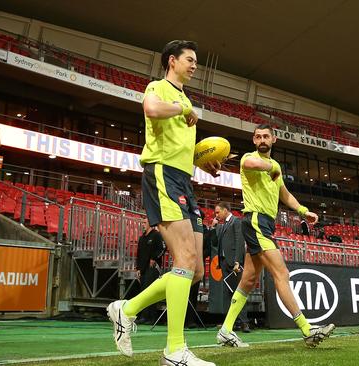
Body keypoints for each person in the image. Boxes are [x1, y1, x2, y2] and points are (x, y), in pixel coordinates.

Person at [106, 40, 219, 366]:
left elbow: (179, 146)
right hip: (162, 176)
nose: (195, 64)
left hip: (184, 180)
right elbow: (152, 109)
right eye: (190, 59)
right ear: (172, 61)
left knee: (195, 270)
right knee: (183, 258)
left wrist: (204, 162)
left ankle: (125, 309)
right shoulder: (160, 88)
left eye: (197, 60)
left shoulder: (186, 98)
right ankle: (174, 351)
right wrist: (182, 109)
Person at [216, 124, 335, 348]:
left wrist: (302, 211)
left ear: (274, 140)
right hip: (255, 221)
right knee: (282, 273)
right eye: (258, 136)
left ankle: (225, 330)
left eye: (266, 136)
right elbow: (252, 164)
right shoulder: (249, 159)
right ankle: (307, 329)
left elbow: (285, 194)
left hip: (265, 224)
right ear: (253, 140)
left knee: (249, 280)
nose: (262, 139)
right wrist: (270, 166)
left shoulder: (276, 167)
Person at [213, 202, 250, 333]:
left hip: (233, 263)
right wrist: (213, 228)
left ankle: (245, 322)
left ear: (225, 210)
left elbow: (240, 242)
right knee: (228, 293)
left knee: (238, 292)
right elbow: (215, 242)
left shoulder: (236, 221)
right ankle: (232, 322)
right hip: (223, 262)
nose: (216, 215)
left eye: (218, 212)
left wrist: (237, 262)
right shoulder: (221, 226)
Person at [134, 217, 164, 325]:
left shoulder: (156, 235)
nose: (143, 224)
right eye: (142, 222)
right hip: (143, 268)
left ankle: (151, 317)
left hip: (153, 268)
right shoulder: (142, 238)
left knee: (150, 291)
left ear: (150, 223)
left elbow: (162, 249)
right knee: (143, 291)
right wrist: (138, 268)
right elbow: (139, 254)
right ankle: (144, 316)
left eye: (144, 222)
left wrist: (154, 258)